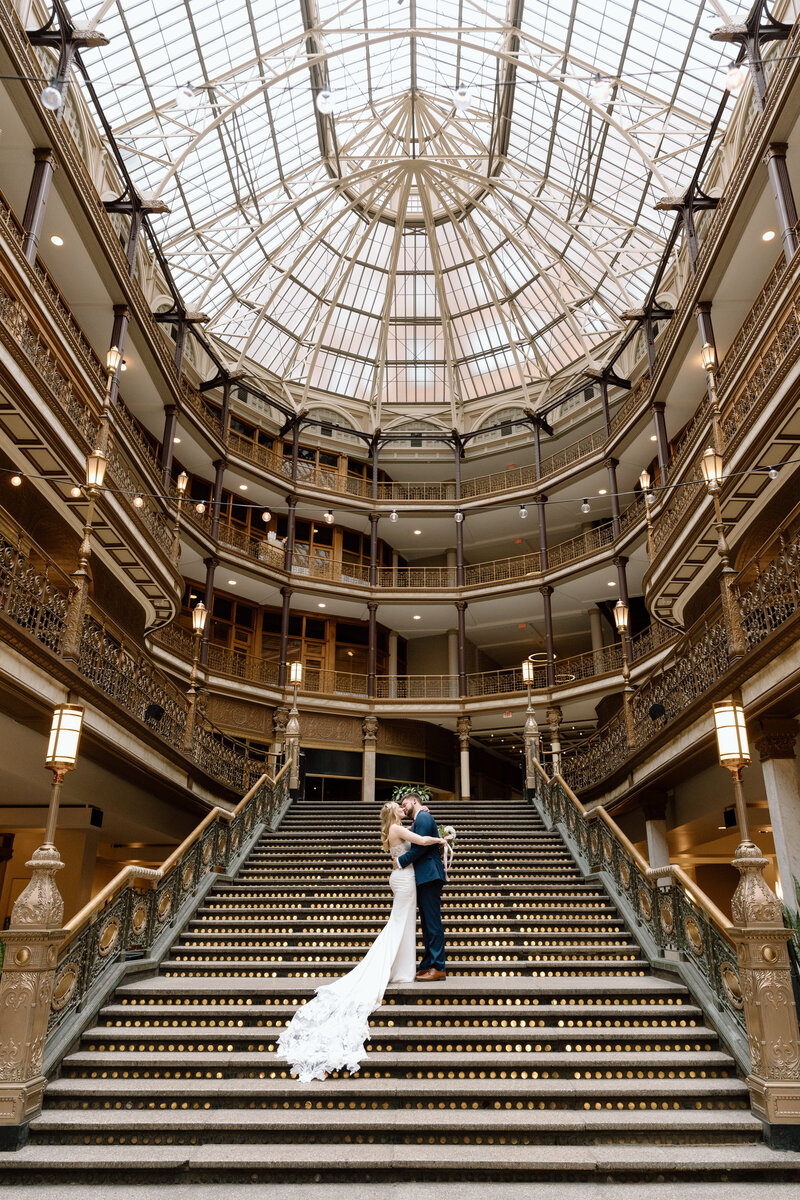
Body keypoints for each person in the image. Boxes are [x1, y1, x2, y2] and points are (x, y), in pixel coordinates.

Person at [276, 798, 444, 1082]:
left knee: (401, 925)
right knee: (399, 925)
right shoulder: (400, 829)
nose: (404, 809)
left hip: (402, 878)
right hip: (404, 879)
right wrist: (442, 839)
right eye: (401, 807)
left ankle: (401, 968)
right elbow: (422, 840)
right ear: (396, 812)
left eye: (406, 805)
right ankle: (397, 968)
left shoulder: (395, 828)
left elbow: (414, 834)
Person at [398, 788, 447, 980]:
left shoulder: (424, 818)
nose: (403, 808)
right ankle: (428, 964)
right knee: (427, 924)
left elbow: (420, 849)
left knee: (432, 923)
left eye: (405, 804)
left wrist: (400, 861)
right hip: (424, 877)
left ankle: (438, 966)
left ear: (414, 801)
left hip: (429, 875)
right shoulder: (419, 819)